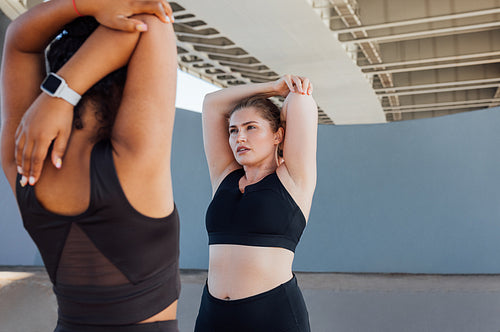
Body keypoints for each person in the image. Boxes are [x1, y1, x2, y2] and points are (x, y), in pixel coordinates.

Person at [0, 0, 180, 331]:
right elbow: (151, 18)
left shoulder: (22, 160)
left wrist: (55, 95)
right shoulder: (135, 156)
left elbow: (18, 39)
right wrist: (60, 94)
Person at [195, 75, 318, 331]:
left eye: (251, 127)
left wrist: (289, 92)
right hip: (212, 315)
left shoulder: (292, 180)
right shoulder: (224, 177)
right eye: (233, 130)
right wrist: (271, 87)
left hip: (271, 315)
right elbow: (211, 104)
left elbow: (300, 102)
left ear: (278, 135)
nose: (240, 138)